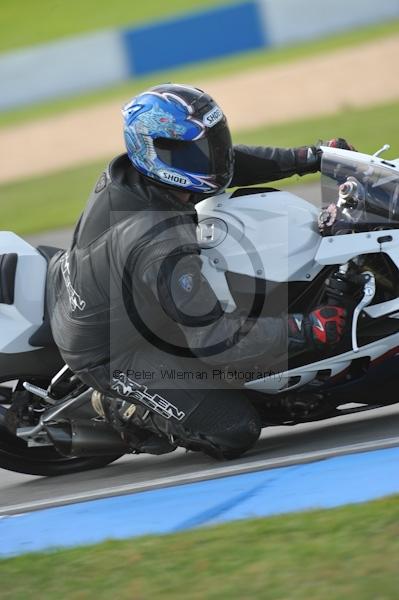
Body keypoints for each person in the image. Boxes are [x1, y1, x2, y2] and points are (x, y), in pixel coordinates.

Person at [47, 83, 351, 459]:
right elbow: (217, 338)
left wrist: (311, 156)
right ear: (154, 151)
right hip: (115, 352)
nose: (211, 157)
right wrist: (308, 329)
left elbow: (227, 165)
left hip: (103, 290)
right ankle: (116, 406)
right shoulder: (159, 243)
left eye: (211, 143)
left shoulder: (134, 171)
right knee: (234, 429)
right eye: (195, 151)